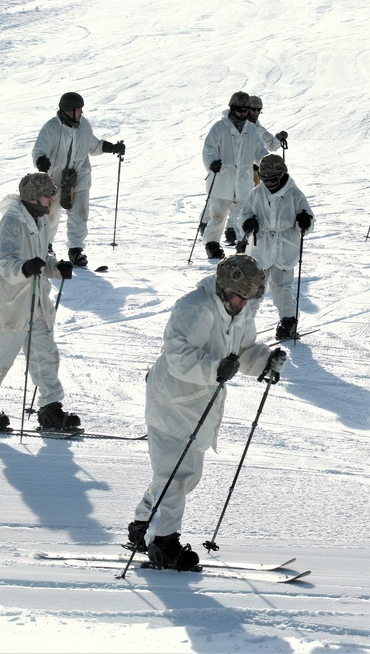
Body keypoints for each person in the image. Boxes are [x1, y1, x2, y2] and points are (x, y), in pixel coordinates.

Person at [127, 255, 287, 570]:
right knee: (177, 476)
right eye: (242, 297)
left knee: (184, 476)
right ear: (226, 288)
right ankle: (163, 542)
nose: (245, 304)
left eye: (250, 298)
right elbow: (178, 356)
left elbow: (244, 352)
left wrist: (265, 360)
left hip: (200, 403)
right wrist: (216, 368)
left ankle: (143, 524)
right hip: (170, 401)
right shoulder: (194, 307)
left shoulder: (238, 309)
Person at [0, 173, 79, 431]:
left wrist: (56, 267)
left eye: (52, 195)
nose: (50, 200)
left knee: (45, 355)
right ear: (32, 196)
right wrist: (25, 267)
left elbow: (40, 258)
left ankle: (50, 408)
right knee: (0, 359)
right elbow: (3, 261)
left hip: (36, 300)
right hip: (10, 303)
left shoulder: (39, 220)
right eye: (46, 195)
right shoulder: (12, 221)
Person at [32, 91, 125, 269]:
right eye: (78, 110)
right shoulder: (51, 127)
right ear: (68, 111)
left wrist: (112, 147)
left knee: (80, 213)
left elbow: (94, 146)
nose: (81, 113)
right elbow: (39, 150)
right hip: (55, 176)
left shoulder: (84, 126)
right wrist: (41, 161)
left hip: (79, 176)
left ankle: (76, 250)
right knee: (51, 213)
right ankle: (47, 246)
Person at [238, 154, 315, 340]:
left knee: (282, 286)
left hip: (285, 246)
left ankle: (288, 321)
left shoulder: (295, 194)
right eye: (265, 179)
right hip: (261, 246)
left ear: (282, 175)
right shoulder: (257, 193)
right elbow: (244, 214)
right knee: (254, 285)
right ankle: (243, 323)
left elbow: (308, 218)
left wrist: (304, 221)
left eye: (273, 179)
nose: (269, 183)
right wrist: (248, 223)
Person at [201, 91, 269, 257]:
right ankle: (212, 245)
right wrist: (212, 162)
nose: (243, 113)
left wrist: (268, 162)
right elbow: (209, 148)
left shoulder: (252, 130)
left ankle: (243, 244)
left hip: (243, 180)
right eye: (239, 109)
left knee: (243, 215)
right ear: (232, 108)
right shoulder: (220, 127)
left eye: (246, 110)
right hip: (222, 178)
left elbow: (259, 150)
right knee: (218, 215)